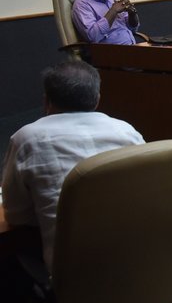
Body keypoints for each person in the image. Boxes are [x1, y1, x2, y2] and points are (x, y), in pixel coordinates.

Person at [1, 61, 144, 270]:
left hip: (73, 281)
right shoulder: (127, 131)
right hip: (139, 262)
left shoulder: (26, 139)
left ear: (46, 102)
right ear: (97, 100)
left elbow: (16, 215)